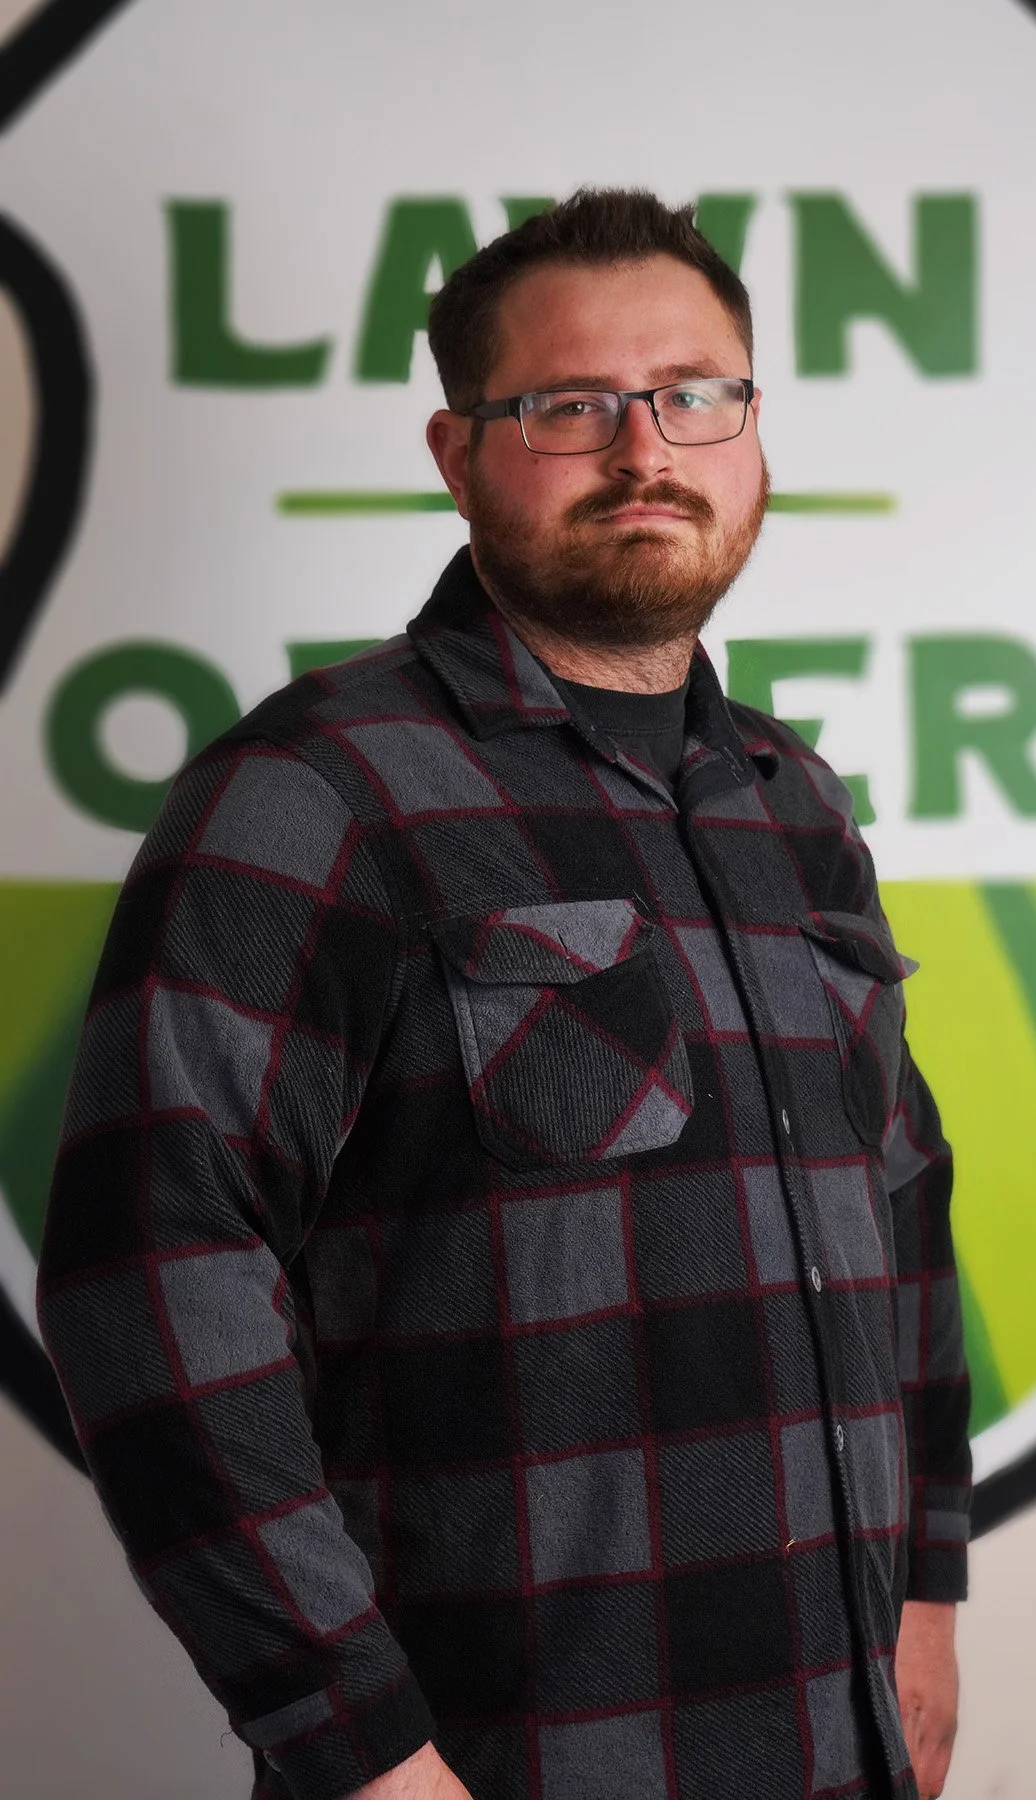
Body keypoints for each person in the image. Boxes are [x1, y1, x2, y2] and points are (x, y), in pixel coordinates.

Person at [37, 189, 971, 1800]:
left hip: (840, 1746)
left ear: (751, 429)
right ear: (458, 452)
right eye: (567, 407)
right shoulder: (312, 791)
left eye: (695, 394)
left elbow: (902, 1209)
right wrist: (360, 1743)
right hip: (500, 1767)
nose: (645, 450)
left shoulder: (792, 802)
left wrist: (931, 1595)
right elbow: (152, 1280)